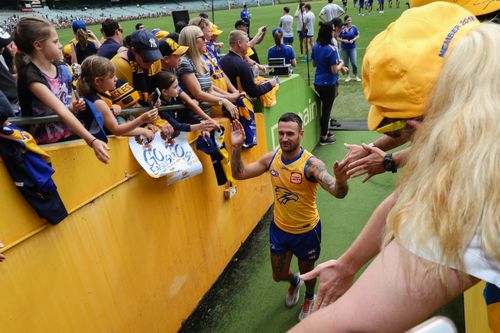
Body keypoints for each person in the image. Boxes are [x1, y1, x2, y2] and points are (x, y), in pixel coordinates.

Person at [292, 5, 500, 332]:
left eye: (401, 126)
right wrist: (348, 265)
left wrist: (386, 159)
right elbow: (410, 194)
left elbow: (348, 323)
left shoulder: (479, 188)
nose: (398, 137)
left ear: (423, 120)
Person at [230, 112, 350, 321]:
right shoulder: (272, 159)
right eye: (282, 133)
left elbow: (338, 192)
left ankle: (309, 297)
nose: (285, 138)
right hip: (279, 229)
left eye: (290, 134)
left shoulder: (311, 165)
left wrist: (341, 181)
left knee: (308, 272)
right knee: (278, 275)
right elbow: (239, 173)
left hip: (307, 232)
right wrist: (236, 147)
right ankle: (294, 282)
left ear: (301, 134)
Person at [13, 16, 109, 163]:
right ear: (38, 45)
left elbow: (68, 104)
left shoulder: (63, 68)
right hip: (43, 149)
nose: (60, 45)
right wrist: (92, 141)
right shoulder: (30, 76)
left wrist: (74, 106)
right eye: (55, 41)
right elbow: (61, 110)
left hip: (69, 137)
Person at [77, 55, 158, 140]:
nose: (116, 79)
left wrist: (111, 107)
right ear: (98, 81)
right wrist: (142, 121)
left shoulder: (100, 94)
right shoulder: (98, 102)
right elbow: (116, 130)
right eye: (112, 76)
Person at [177, 26, 239, 119]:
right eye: (202, 38)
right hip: (193, 121)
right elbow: (198, 93)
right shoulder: (185, 62)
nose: (206, 41)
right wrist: (224, 100)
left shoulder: (202, 61)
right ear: (192, 41)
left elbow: (210, 91)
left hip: (207, 119)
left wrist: (230, 97)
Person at [158, 38, 219, 127]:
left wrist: (207, 120)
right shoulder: (164, 76)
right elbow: (187, 100)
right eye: (177, 55)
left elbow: (187, 99)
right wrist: (208, 120)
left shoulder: (171, 69)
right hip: (167, 123)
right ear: (166, 59)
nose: (181, 58)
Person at [311, 22, 347, 146]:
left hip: (318, 82)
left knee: (326, 109)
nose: (334, 32)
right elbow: (334, 70)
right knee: (326, 110)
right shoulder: (331, 50)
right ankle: (324, 136)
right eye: (332, 30)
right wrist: (341, 63)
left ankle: (326, 130)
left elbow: (314, 64)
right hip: (328, 84)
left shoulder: (315, 46)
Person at [152, 71, 218, 135]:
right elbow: (176, 125)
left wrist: (202, 125)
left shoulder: (176, 99)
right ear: (164, 92)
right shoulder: (160, 107)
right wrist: (199, 126)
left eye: (178, 86)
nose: (178, 89)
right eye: (175, 87)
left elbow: (187, 116)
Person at [220, 30, 278, 99]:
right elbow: (253, 91)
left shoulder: (221, 60)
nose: (249, 45)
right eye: (247, 42)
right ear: (239, 43)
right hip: (239, 105)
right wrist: (270, 84)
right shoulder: (242, 64)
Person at [110, 29, 163, 104]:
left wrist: (155, 98)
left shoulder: (156, 61)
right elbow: (128, 104)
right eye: (147, 58)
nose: (151, 62)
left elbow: (157, 86)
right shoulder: (119, 65)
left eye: (154, 57)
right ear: (134, 51)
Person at [339, 16, 360, 82]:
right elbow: (337, 37)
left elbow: (358, 35)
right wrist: (343, 41)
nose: (349, 22)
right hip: (344, 48)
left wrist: (353, 40)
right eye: (348, 20)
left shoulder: (354, 27)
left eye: (350, 20)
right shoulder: (341, 29)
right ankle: (348, 76)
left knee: (354, 63)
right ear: (345, 21)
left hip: (352, 48)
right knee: (346, 63)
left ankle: (356, 75)